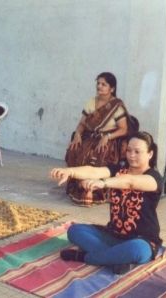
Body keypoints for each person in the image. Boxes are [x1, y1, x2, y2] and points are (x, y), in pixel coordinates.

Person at [51, 131, 162, 274]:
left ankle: (85, 257)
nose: (131, 155)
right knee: (75, 231)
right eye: (128, 150)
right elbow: (93, 171)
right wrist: (69, 171)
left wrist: (103, 183)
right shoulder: (119, 168)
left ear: (150, 154)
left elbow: (130, 182)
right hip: (113, 235)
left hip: (142, 240)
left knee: (137, 250)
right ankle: (116, 259)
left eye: (137, 152)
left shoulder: (153, 178)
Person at [65, 72, 130, 206]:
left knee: (97, 155)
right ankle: (78, 187)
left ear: (112, 89)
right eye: (98, 84)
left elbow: (124, 129)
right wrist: (77, 134)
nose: (99, 87)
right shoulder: (91, 102)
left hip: (108, 139)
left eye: (103, 84)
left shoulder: (116, 106)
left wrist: (108, 136)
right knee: (75, 150)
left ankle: (94, 190)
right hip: (90, 136)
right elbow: (82, 123)